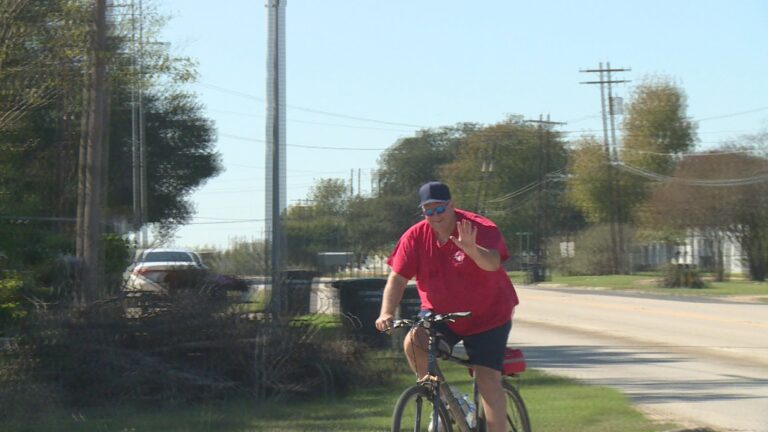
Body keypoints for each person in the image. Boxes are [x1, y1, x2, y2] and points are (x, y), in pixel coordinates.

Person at [375, 181, 519, 432]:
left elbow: (493, 263)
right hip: (442, 315)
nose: (435, 216)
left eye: (440, 209)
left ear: (451, 205)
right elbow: (397, 278)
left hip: (489, 316)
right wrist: (386, 312)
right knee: (414, 342)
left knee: (487, 380)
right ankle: (449, 402)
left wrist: (473, 250)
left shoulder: (478, 227)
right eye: (428, 211)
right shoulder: (415, 237)